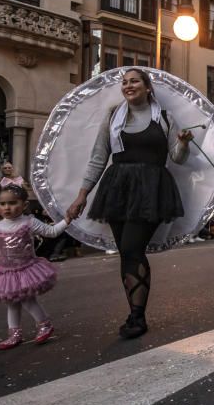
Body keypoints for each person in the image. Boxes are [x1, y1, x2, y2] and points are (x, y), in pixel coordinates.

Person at [66, 68, 193, 338]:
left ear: (148, 87)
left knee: (132, 248)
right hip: (118, 190)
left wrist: (183, 144)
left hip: (151, 190)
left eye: (134, 81)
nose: (128, 85)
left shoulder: (165, 118)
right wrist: (82, 195)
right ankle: (135, 312)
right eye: (124, 82)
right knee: (127, 253)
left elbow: (178, 158)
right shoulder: (113, 115)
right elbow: (99, 156)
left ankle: (137, 317)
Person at [0, 185, 71, 350]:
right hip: (5, 272)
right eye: (2, 204)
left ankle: (45, 324)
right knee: (11, 302)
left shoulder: (29, 222)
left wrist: (67, 220)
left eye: (12, 203)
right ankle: (14, 333)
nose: (7, 207)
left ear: (24, 205)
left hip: (26, 270)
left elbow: (51, 232)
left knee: (26, 299)